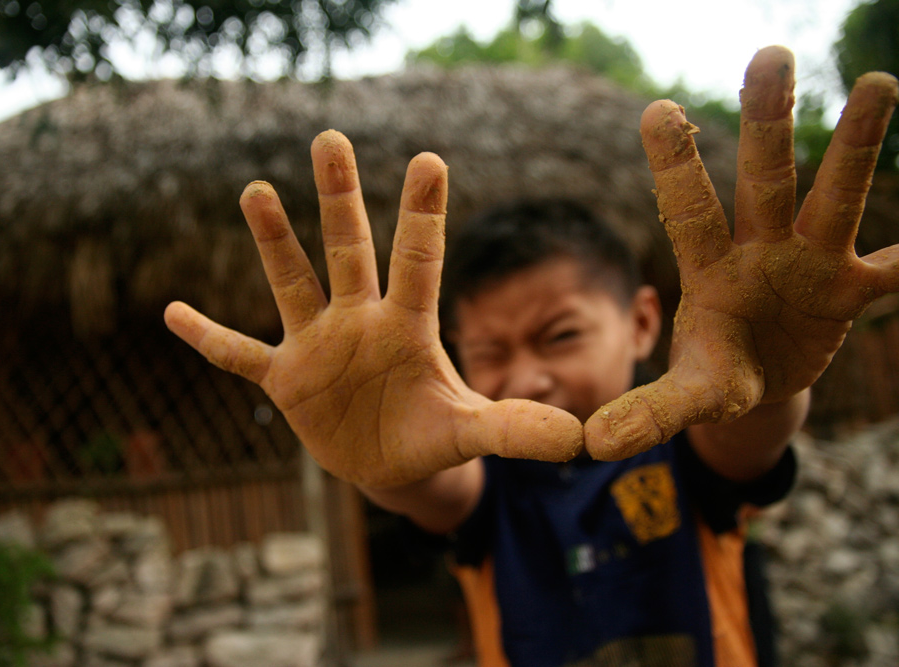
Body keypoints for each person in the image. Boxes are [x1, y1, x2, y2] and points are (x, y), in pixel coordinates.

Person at [163, 46, 899, 666]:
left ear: (643, 320)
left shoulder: (687, 455)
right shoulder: (491, 490)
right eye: (489, 350)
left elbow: (746, 437)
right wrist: (383, 463)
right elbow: (435, 491)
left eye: (561, 335)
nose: (527, 375)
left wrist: (762, 380)